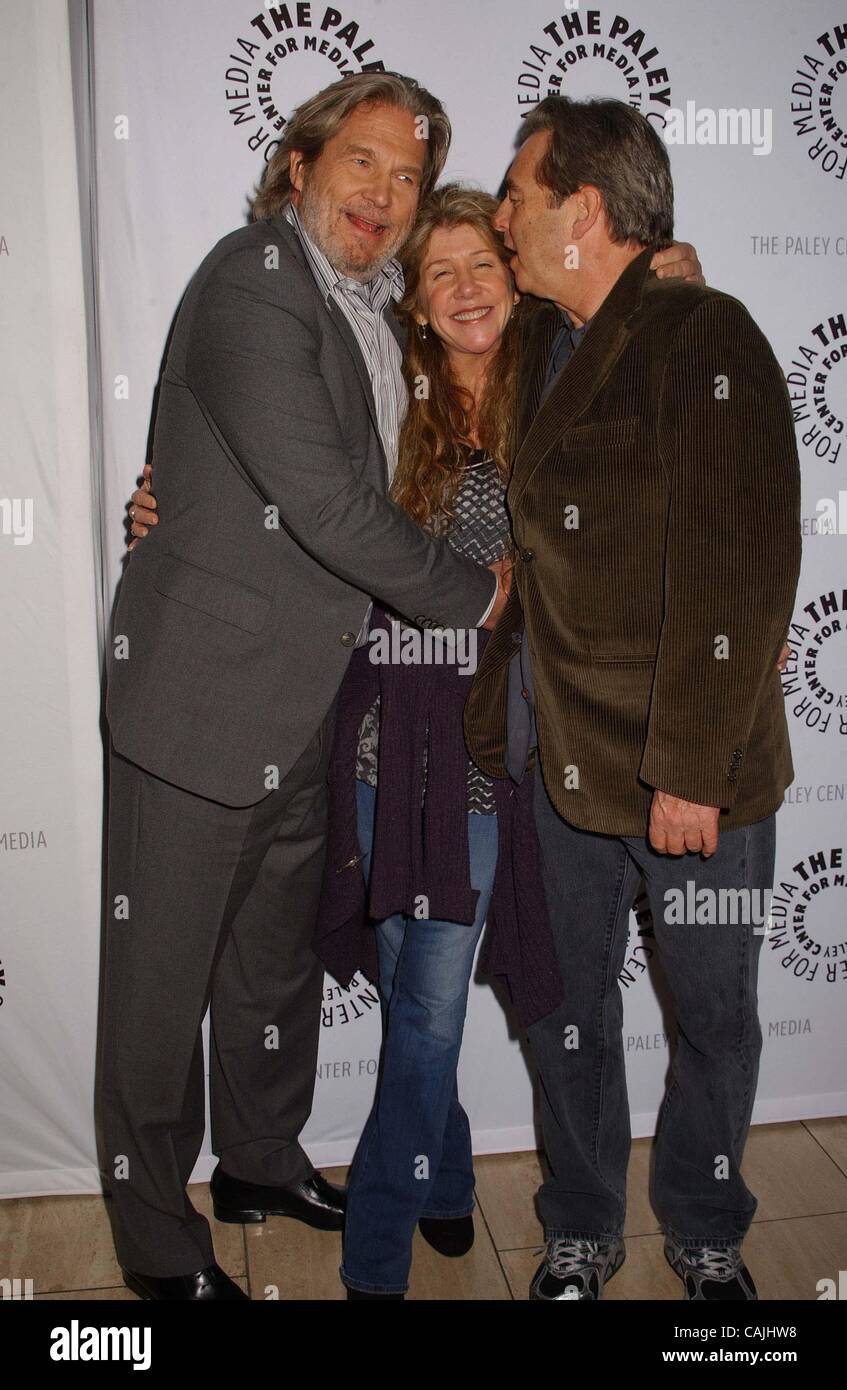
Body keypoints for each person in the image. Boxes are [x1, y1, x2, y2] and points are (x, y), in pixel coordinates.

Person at [127, 178, 704, 1300]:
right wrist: (171, 503)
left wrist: (674, 275)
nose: (461, 286)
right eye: (434, 273)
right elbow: (294, 498)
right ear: (415, 302)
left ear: (512, 271)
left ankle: (376, 1257)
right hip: (374, 737)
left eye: (478, 262)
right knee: (406, 989)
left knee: (432, 1004)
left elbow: (659, 436)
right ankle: (442, 1181)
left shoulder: (560, 380)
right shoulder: (387, 397)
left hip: (495, 750)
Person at [101, 71, 511, 1302]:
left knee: (270, 968)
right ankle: (155, 1245)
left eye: (408, 176)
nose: (386, 194)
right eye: (365, 163)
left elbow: (503, 337)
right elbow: (331, 506)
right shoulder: (253, 282)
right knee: (159, 994)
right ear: (300, 163)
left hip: (316, 704)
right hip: (205, 702)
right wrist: (479, 597)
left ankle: (260, 1163)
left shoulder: (382, 306)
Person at [464, 96, 802, 1302]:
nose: (502, 218)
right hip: (557, 761)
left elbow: (741, 561)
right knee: (566, 1015)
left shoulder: (700, 333)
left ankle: (705, 1226)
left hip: (683, 768)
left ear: (583, 208)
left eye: (517, 193)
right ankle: (582, 1225)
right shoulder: (534, 345)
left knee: (712, 1013)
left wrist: (690, 772)